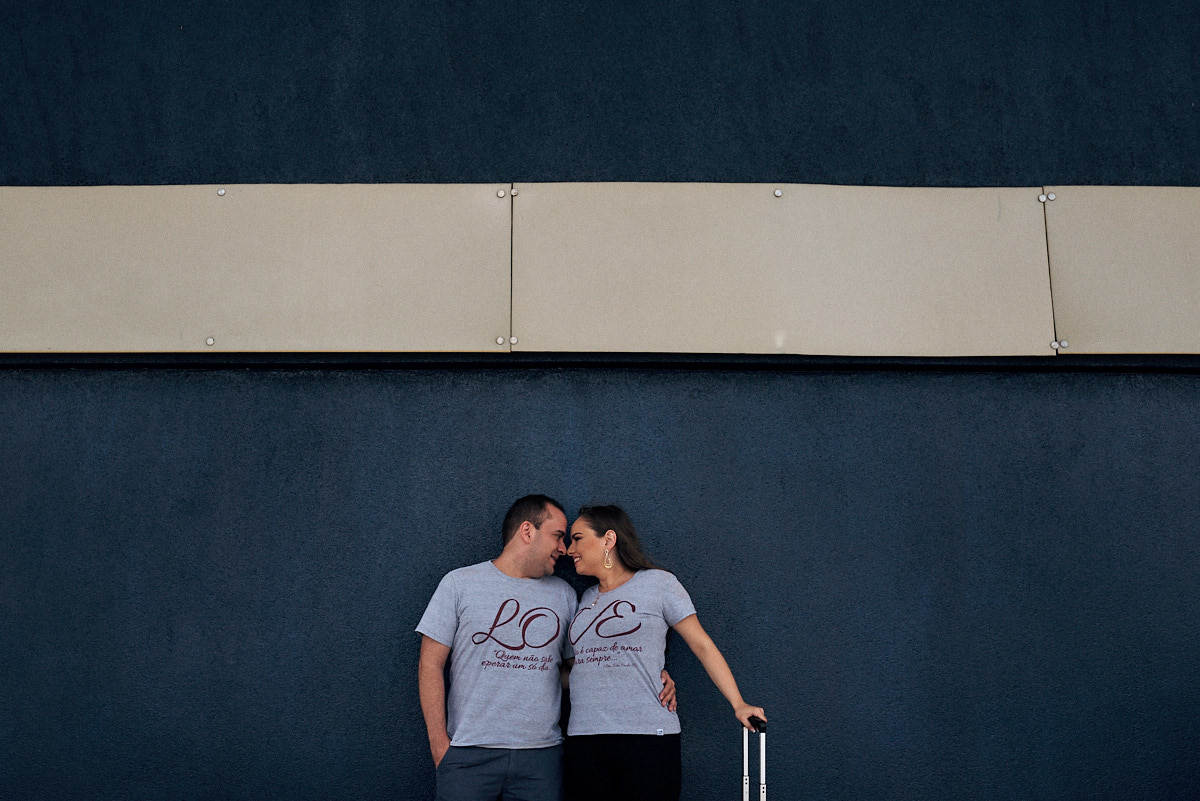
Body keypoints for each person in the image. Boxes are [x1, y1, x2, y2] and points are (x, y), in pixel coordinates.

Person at [416, 495, 674, 801]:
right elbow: (430, 663)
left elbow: (580, 667)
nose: (564, 549)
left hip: (541, 758)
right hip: (468, 754)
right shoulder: (459, 584)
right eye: (557, 536)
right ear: (527, 531)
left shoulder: (564, 595)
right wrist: (439, 746)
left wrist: (644, 673)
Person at [563, 504, 766, 801]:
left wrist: (739, 704)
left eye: (577, 538)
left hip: (647, 738)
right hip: (584, 739)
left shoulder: (658, 584)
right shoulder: (584, 599)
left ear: (608, 539)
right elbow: (577, 668)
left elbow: (702, 645)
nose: (569, 549)